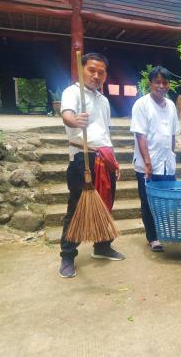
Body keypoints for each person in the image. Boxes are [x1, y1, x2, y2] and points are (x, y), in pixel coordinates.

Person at [59, 52, 125, 278]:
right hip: (82, 158)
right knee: (76, 209)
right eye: (91, 70)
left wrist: (114, 160)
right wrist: (74, 120)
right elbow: (67, 114)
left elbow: (106, 132)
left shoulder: (104, 100)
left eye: (101, 72)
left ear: (105, 75)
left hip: (104, 157)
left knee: (106, 204)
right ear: (81, 69)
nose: (96, 75)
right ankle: (68, 256)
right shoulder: (72, 92)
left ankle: (102, 246)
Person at [130, 66, 180, 252]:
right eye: (157, 82)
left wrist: (172, 155)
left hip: (167, 163)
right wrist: (148, 163)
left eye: (164, 82)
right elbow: (140, 135)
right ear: (150, 83)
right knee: (149, 202)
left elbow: (173, 134)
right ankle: (153, 237)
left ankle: (164, 232)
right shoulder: (141, 105)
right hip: (148, 165)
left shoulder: (171, 105)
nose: (161, 86)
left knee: (167, 200)